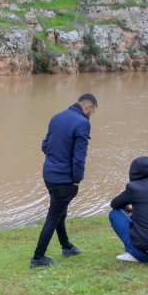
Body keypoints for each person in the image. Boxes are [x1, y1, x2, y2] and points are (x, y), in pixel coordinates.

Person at [30, 93, 97, 268]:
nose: (92, 116)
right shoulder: (83, 123)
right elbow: (79, 157)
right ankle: (38, 258)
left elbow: (45, 145)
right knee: (54, 216)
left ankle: (67, 247)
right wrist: (77, 180)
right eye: (93, 112)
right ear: (87, 107)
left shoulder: (57, 117)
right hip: (64, 180)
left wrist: (55, 160)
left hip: (49, 175)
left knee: (60, 212)